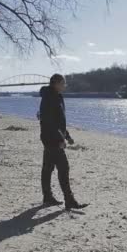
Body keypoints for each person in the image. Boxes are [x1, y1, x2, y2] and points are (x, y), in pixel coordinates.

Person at [38, 74, 88, 210]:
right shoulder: (50, 98)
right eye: (63, 83)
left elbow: (60, 121)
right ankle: (69, 199)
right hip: (51, 139)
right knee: (63, 168)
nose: (65, 86)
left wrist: (67, 136)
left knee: (48, 168)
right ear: (56, 83)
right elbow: (50, 122)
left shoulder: (56, 96)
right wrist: (59, 140)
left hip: (51, 138)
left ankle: (47, 197)